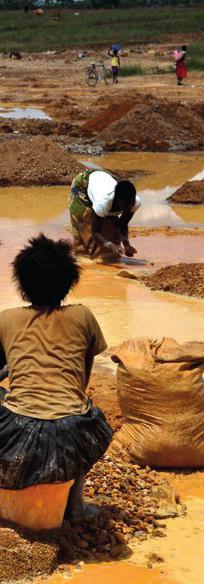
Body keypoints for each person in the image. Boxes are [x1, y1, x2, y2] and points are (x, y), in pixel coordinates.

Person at [0, 234, 112, 522]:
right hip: (77, 435)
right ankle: (75, 506)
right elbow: (82, 378)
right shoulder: (83, 316)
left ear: (22, 286)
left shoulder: (6, 320)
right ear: (69, 283)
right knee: (88, 411)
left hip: (15, 434)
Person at [69, 169, 141, 259]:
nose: (129, 208)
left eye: (131, 203)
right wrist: (109, 244)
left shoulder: (135, 203)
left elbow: (122, 224)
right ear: (118, 201)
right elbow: (95, 231)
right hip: (83, 184)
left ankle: (105, 255)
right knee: (84, 222)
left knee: (112, 229)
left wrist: (126, 244)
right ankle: (82, 257)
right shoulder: (104, 202)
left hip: (101, 182)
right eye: (126, 205)